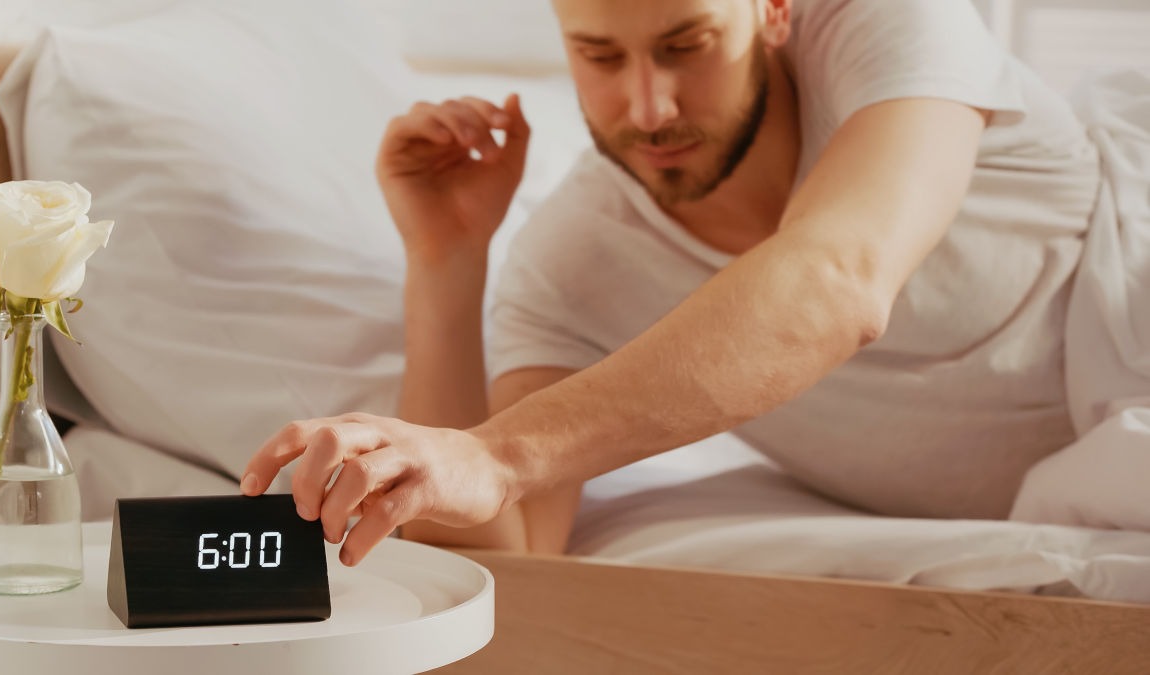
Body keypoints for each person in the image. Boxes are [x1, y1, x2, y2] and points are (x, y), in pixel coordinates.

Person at [241, 0, 1150, 566]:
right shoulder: (577, 262)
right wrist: (447, 263)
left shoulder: (885, 25)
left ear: (775, 8)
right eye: (598, 57)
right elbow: (509, 545)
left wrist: (499, 453)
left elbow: (837, 280)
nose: (649, 108)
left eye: (687, 43)